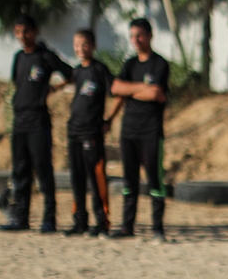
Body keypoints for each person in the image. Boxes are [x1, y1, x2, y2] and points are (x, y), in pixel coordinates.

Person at [0, 15, 73, 233]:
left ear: (35, 31)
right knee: (20, 171)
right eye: (18, 32)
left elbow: (70, 73)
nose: (22, 36)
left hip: (38, 120)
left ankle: (49, 219)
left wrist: (55, 89)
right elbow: (17, 83)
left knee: (43, 170)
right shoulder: (19, 57)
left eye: (26, 32)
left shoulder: (46, 56)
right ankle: (20, 219)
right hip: (19, 119)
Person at [109, 18, 169, 241]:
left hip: (151, 132)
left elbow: (156, 94)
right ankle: (127, 227)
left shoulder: (160, 64)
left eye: (140, 35)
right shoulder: (130, 64)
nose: (135, 40)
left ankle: (157, 229)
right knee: (129, 180)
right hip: (128, 131)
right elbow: (116, 88)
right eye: (132, 36)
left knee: (155, 179)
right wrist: (142, 87)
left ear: (150, 36)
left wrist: (130, 90)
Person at [64, 30, 117, 237]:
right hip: (73, 132)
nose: (80, 49)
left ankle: (102, 222)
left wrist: (109, 119)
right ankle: (80, 222)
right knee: (76, 178)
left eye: (84, 45)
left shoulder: (100, 70)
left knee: (95, 178)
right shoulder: (77, 71)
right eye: (77, 45)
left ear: (93, 46)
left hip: (92, 132)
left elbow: (117, 93)